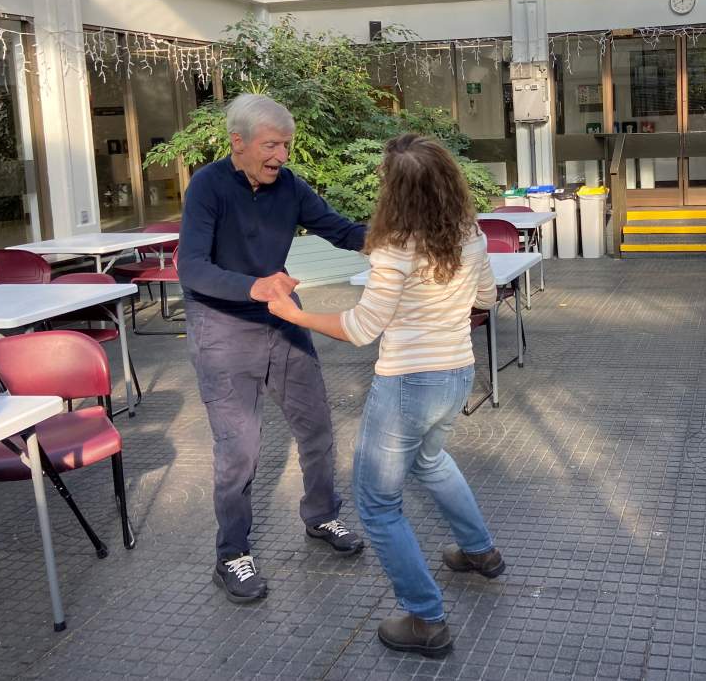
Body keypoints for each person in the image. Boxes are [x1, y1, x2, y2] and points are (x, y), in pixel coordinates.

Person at [268, 133, 504, 659]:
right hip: (457, 373)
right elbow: (487, 298)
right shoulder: (470, 234)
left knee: (377, 504)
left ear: (395, 190)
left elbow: (361, 328)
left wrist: (292, 313)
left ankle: (426, 618)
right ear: (448, 182)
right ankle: (479, 551)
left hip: (407, 383)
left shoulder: (395, 247)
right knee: (430, 461)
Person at [179, 93, 366, 605]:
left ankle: (322, 515)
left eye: (286, 145)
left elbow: (341, 230)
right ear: (237, 142)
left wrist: (397, 242)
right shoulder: (208, 186)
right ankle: (231, 554)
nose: (281, 156)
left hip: (281, 316)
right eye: (271, 145)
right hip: (222, 325)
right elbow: (191, 268)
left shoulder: (290, 186)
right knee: (239, 448)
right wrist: (253, 286)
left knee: (316, 425)